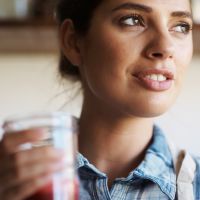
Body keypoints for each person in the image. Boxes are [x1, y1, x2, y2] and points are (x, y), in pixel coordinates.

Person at [0, 0, 199, 199]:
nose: (165, 47)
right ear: (73, 42)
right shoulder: (13, 182)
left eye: (181, 26)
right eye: (132, 20)